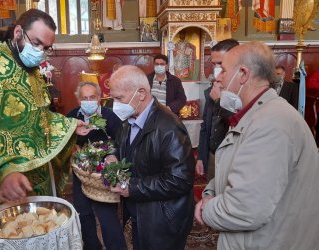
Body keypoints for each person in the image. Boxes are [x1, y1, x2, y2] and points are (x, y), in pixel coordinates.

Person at [0, 9, 91, 249]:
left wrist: (67, 126)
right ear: (18, 32)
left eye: (46, 48)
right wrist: (5, 170)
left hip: (31, 185)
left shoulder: (34, 72)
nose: (40, 52)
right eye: (36, 43)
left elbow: (36, 118)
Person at [195, 41, 319, 249]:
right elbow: (234, 169)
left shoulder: (271, 123)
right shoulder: (256, 115)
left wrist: (207, 209)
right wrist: (210, 192)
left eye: (223, 71)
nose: (218, 79)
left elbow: (245, 209)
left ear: (242, 74)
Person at [108, 65, 195, 250]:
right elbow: (120, 146)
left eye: (119, 98)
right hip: (141, 212)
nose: (115, 104)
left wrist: (131, 187)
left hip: (162, 219)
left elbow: (180, 180)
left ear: (140, 93)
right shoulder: (128, 119)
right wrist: (113, 156)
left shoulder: (169, 126)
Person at [67, 82, 126, 250]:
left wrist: (113, 155)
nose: (88, 101)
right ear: (78, 100)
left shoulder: (110, 116)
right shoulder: (71, 117)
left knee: (107, 216)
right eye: (84, 98)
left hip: (103, 175)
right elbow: (64, 143)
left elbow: (122, 141)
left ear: (99, 98)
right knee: (83, 213)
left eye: (92, 97)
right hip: (81, 174)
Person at [196, 39, 239, 179]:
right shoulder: (211, 90)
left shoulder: (243, 93)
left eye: (220, 64)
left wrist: (219, 101)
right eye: (214, 64)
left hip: (233, 159)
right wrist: (202, 156)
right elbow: (205, 127)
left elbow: (240, 123)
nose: (217, 69)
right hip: (212, 155)